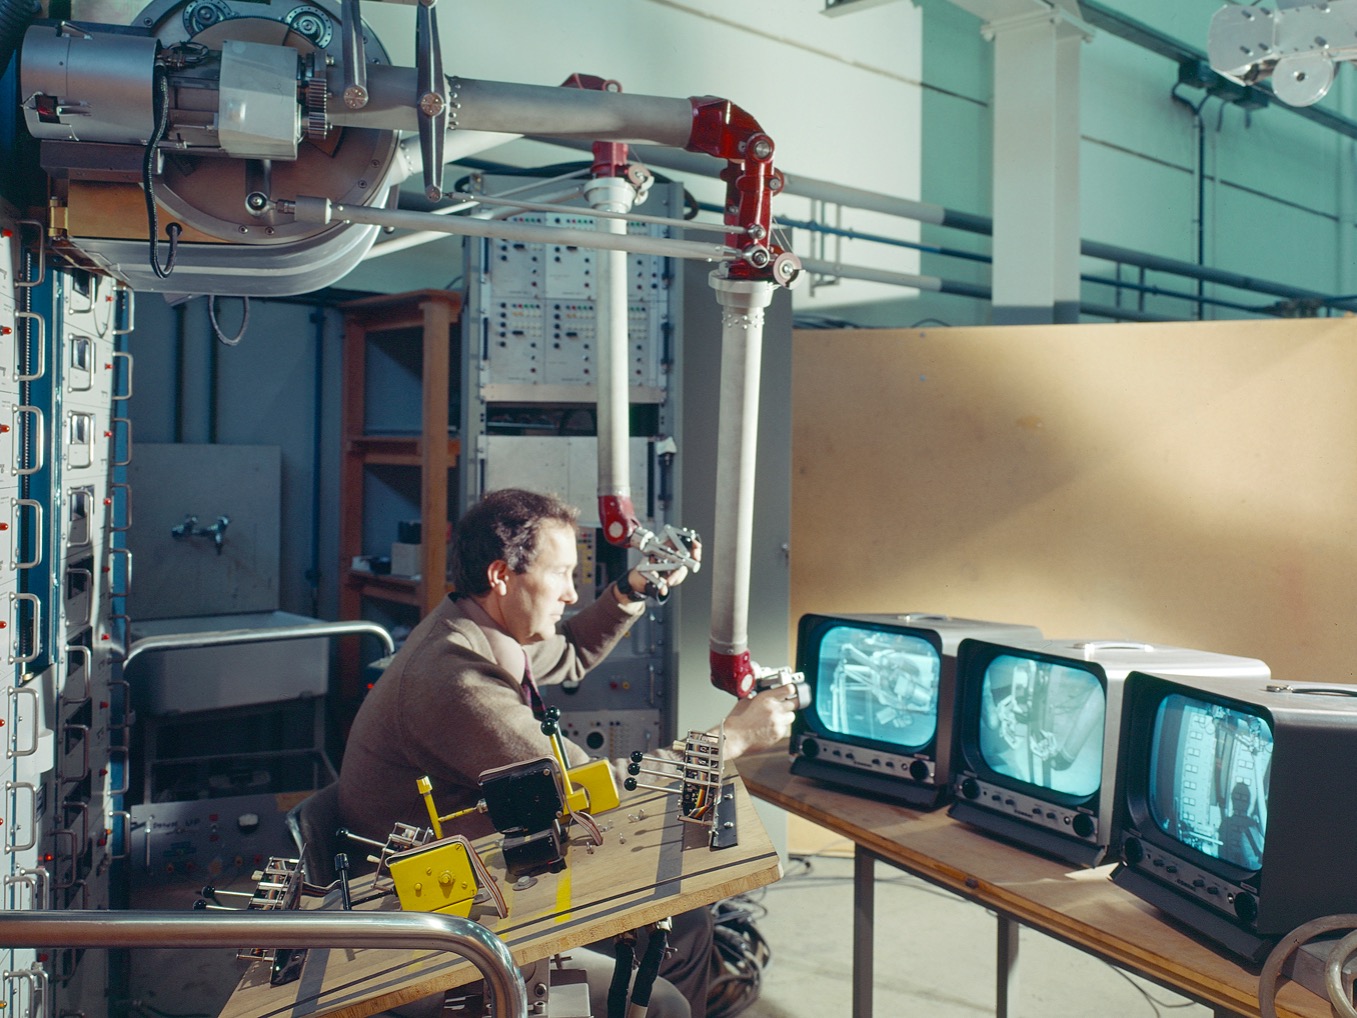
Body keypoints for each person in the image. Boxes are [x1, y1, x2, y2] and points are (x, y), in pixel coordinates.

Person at [338, 488, 797, 1018]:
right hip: (437, 917)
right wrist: (732, 738)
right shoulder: (457, 680)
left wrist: (630, 589)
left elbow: (571, 651)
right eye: (560, 575)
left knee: (682, 915)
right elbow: (583, 792)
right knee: (679, 934)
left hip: (463, 872)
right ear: (501, 575)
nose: (572, 594)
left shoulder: (470, 626)